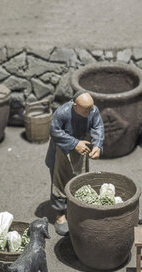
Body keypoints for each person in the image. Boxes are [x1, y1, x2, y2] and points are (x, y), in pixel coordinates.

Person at [45, 92, 104, 236]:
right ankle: (60, 216)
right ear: (75, 106)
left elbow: (98, 127)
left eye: (91, 108)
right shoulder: (62, 112)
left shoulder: (93, 110)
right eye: (85, 109)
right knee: (59, 183)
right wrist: (74, 143)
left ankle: (77, 210)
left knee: (81, 180)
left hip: (82, 149)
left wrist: (97, 145)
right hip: (61, 150)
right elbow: (54, 131)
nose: (89, 112)